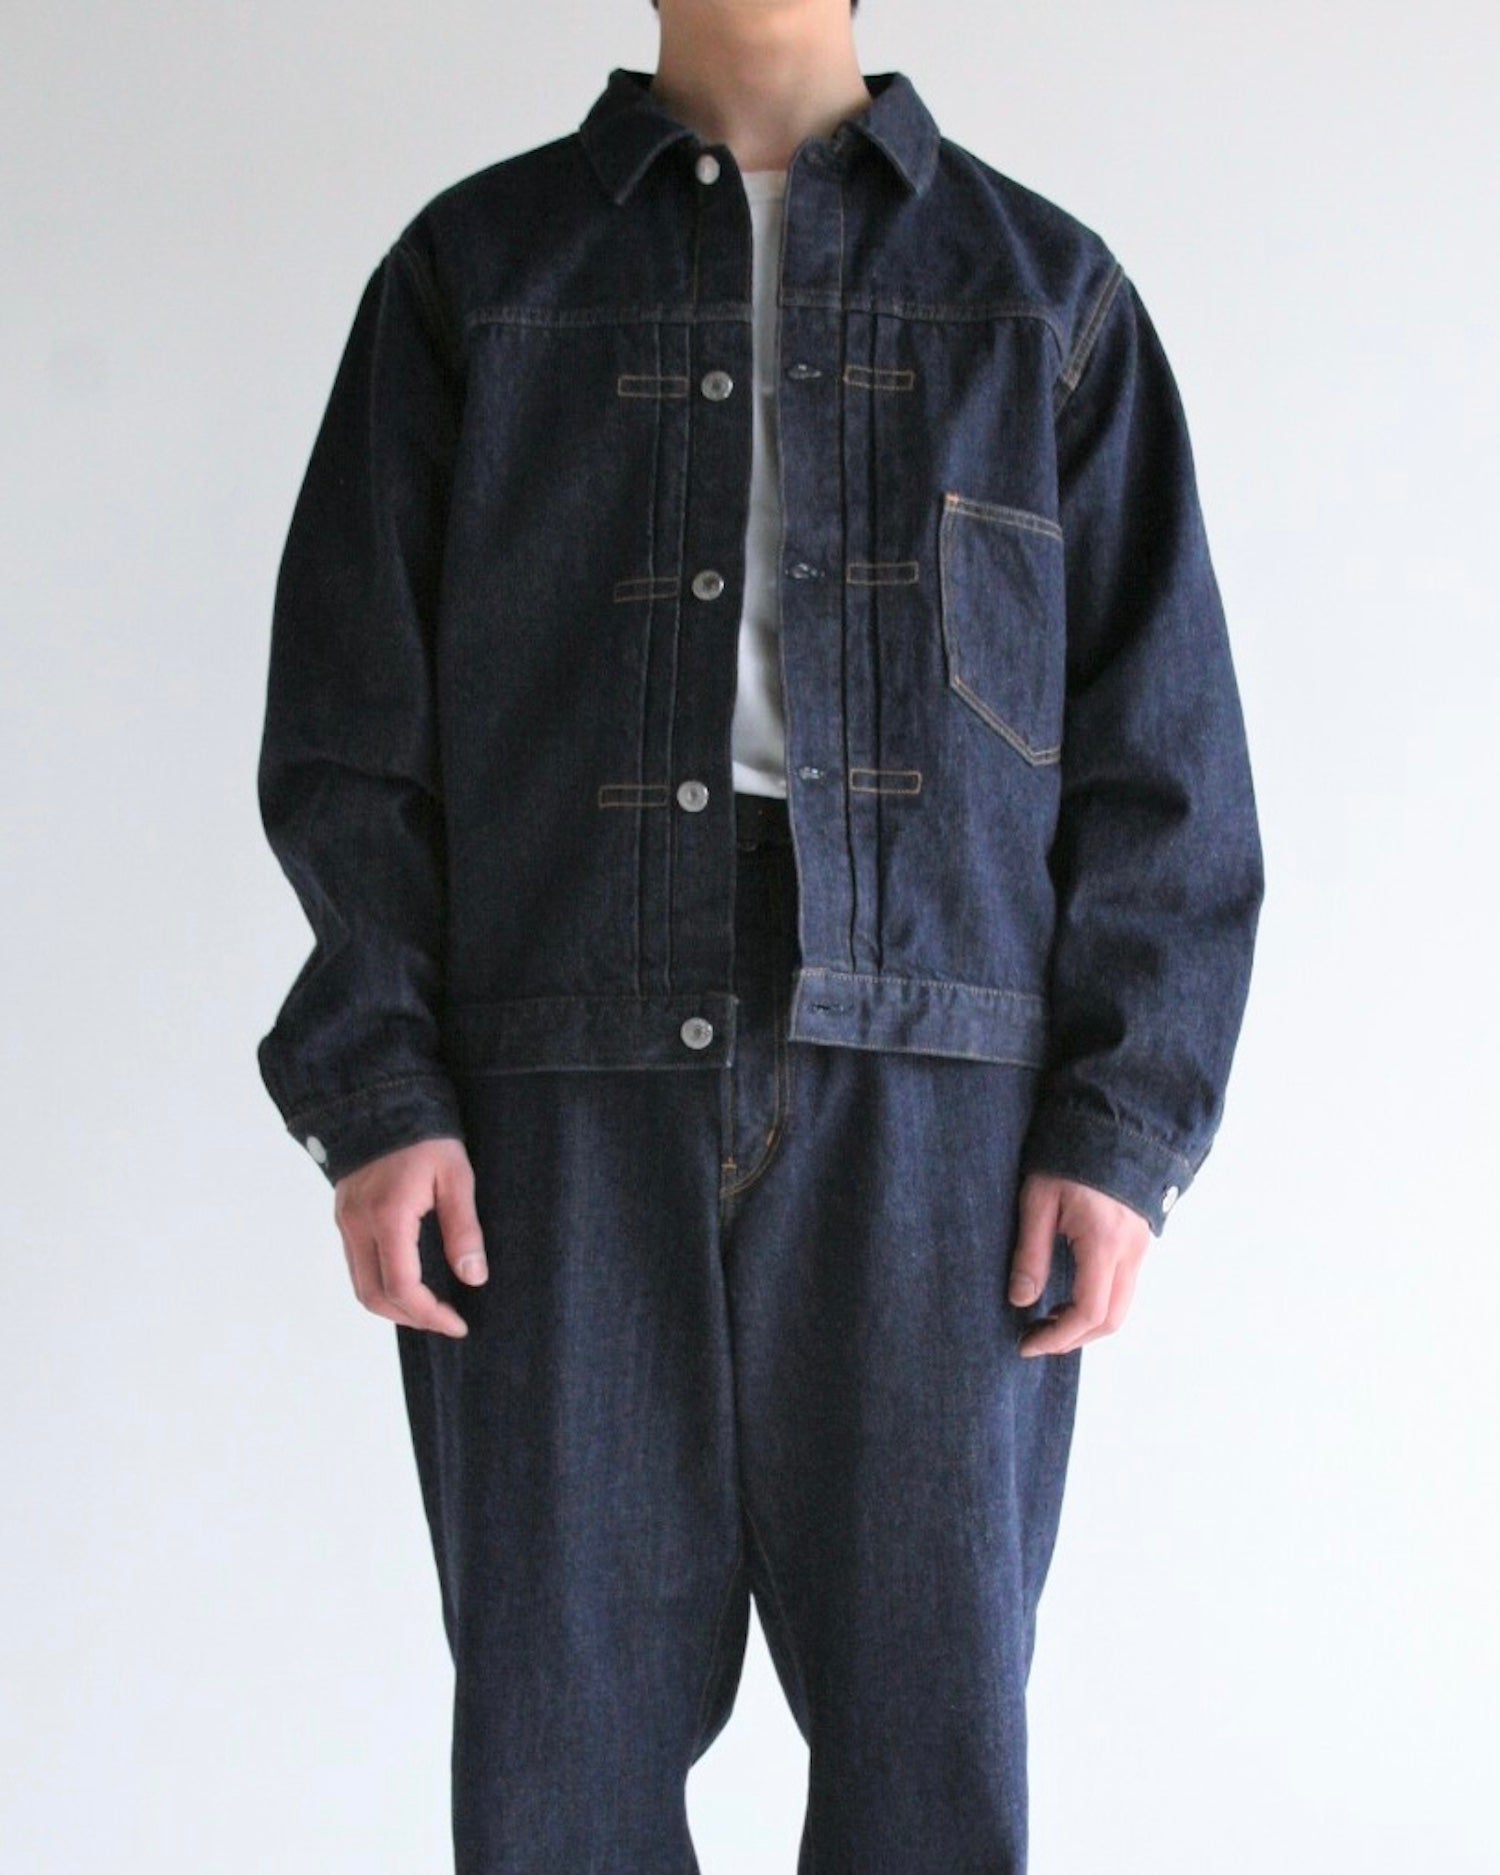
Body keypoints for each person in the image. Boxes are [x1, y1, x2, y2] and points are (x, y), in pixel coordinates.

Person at [254, 2, 1265, 1868]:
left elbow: (1164, 759)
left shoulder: (1044, 293)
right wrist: (378, 1088)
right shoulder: (479, 276)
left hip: (942, 1101)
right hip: (554, 1079)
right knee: (560, 1765)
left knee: (930, 1771)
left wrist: (1123, 1128)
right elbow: (349, 728)